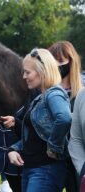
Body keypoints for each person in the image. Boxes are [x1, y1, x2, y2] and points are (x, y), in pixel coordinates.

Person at [4, 48, 71, 191]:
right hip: (32, 169)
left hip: (45, 170)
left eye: (27, 72)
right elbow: (34, 137)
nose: (24, 76)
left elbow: (64, 118)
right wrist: (13, 149)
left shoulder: (54, 94)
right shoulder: (40, 98)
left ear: (42, 71)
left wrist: (54, 147)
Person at [48, 41, 83, 192]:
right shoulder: (45, 91)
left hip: (77, 158)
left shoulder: (82, 91)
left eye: (61, 61)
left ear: (72, 61)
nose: (57, 65)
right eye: (53, 61)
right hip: (51, 156)